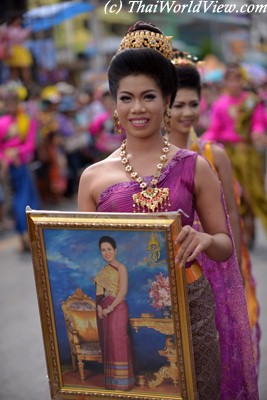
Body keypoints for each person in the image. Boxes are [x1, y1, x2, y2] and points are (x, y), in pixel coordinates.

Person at [78, 21, 258, 399]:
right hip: (126, 314)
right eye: (126, 98)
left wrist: (206, 238)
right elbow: (88, 262)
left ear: (167, 100)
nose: (137, 108)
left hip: (192, 307)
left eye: (149, 96)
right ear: (114, 105)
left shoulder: (196, 166)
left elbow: (224, 245)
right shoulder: (93, 178)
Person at [168, 54, 261, 370]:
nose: (187, 112)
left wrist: (238, 273)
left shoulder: (213, 154)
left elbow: (231, 221)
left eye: (193, 104)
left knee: (219, 354)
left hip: (216, 267)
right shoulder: (156, 162)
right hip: (178, 266)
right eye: (178, 105)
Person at [204, 63, 267, 248]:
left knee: (254, 194)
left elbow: (258, 124)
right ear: (225, 82)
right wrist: (198, 141)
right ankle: (244, 232)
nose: (234, 83)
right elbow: (214, 130)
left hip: (247, 155)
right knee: (235, 196)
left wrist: (257, 133)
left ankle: (252, 228)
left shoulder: (251, 101)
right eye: (230, 79)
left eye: (237, 79)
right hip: (228, 156)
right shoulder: (220, 104)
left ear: (242, 80)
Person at [0, 84, 39, 250]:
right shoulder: (2, 123)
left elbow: (30, 145)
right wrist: (4, 159)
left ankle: (31, 237)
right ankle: (23, 237)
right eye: (9, 101)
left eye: (15, 101)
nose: (12, 105)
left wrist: (17, 151)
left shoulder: (26, 121)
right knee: (17, 201)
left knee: (28, 200)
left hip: (23, 165)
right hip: (9, 169)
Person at [94, 235, 134, 390]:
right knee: (109, 342)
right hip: (104, 310)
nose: (106, 252)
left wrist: (110, 308)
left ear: (115, 250)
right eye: (103, 250)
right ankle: (112, 382)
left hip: (118, 308)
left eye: (109, 249)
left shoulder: (121, 268)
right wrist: (100, 309)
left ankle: (123, 384)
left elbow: (123, 291)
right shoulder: (102, 271)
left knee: (119, 341)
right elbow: (99, 293)